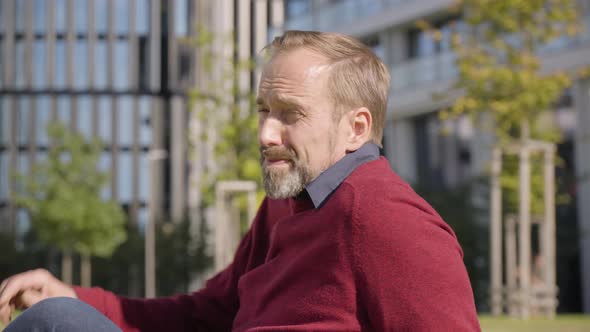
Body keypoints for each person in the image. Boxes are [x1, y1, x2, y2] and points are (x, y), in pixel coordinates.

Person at [0, 31, 480, 331]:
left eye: (290, 114)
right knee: (59, 315)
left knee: (55, 323)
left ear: (355, 127)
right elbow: (208, 314)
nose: (266, 133)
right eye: (263, 111)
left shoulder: (390, 222)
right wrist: (80, 297)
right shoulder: (285, 204)